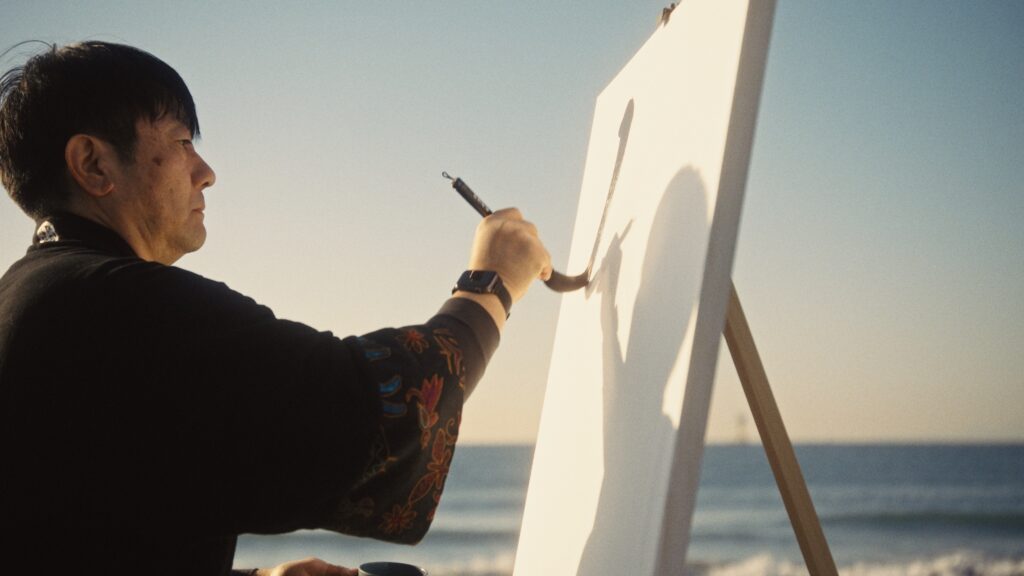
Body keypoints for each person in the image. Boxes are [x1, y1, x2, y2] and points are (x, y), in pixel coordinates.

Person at [0, 41, 552, 576]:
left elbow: (89, 529)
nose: (205, 171)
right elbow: (367, 412)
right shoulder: (121, 304)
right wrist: (490, 284)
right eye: (182, 142)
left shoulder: (27, 297)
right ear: (93, 164)